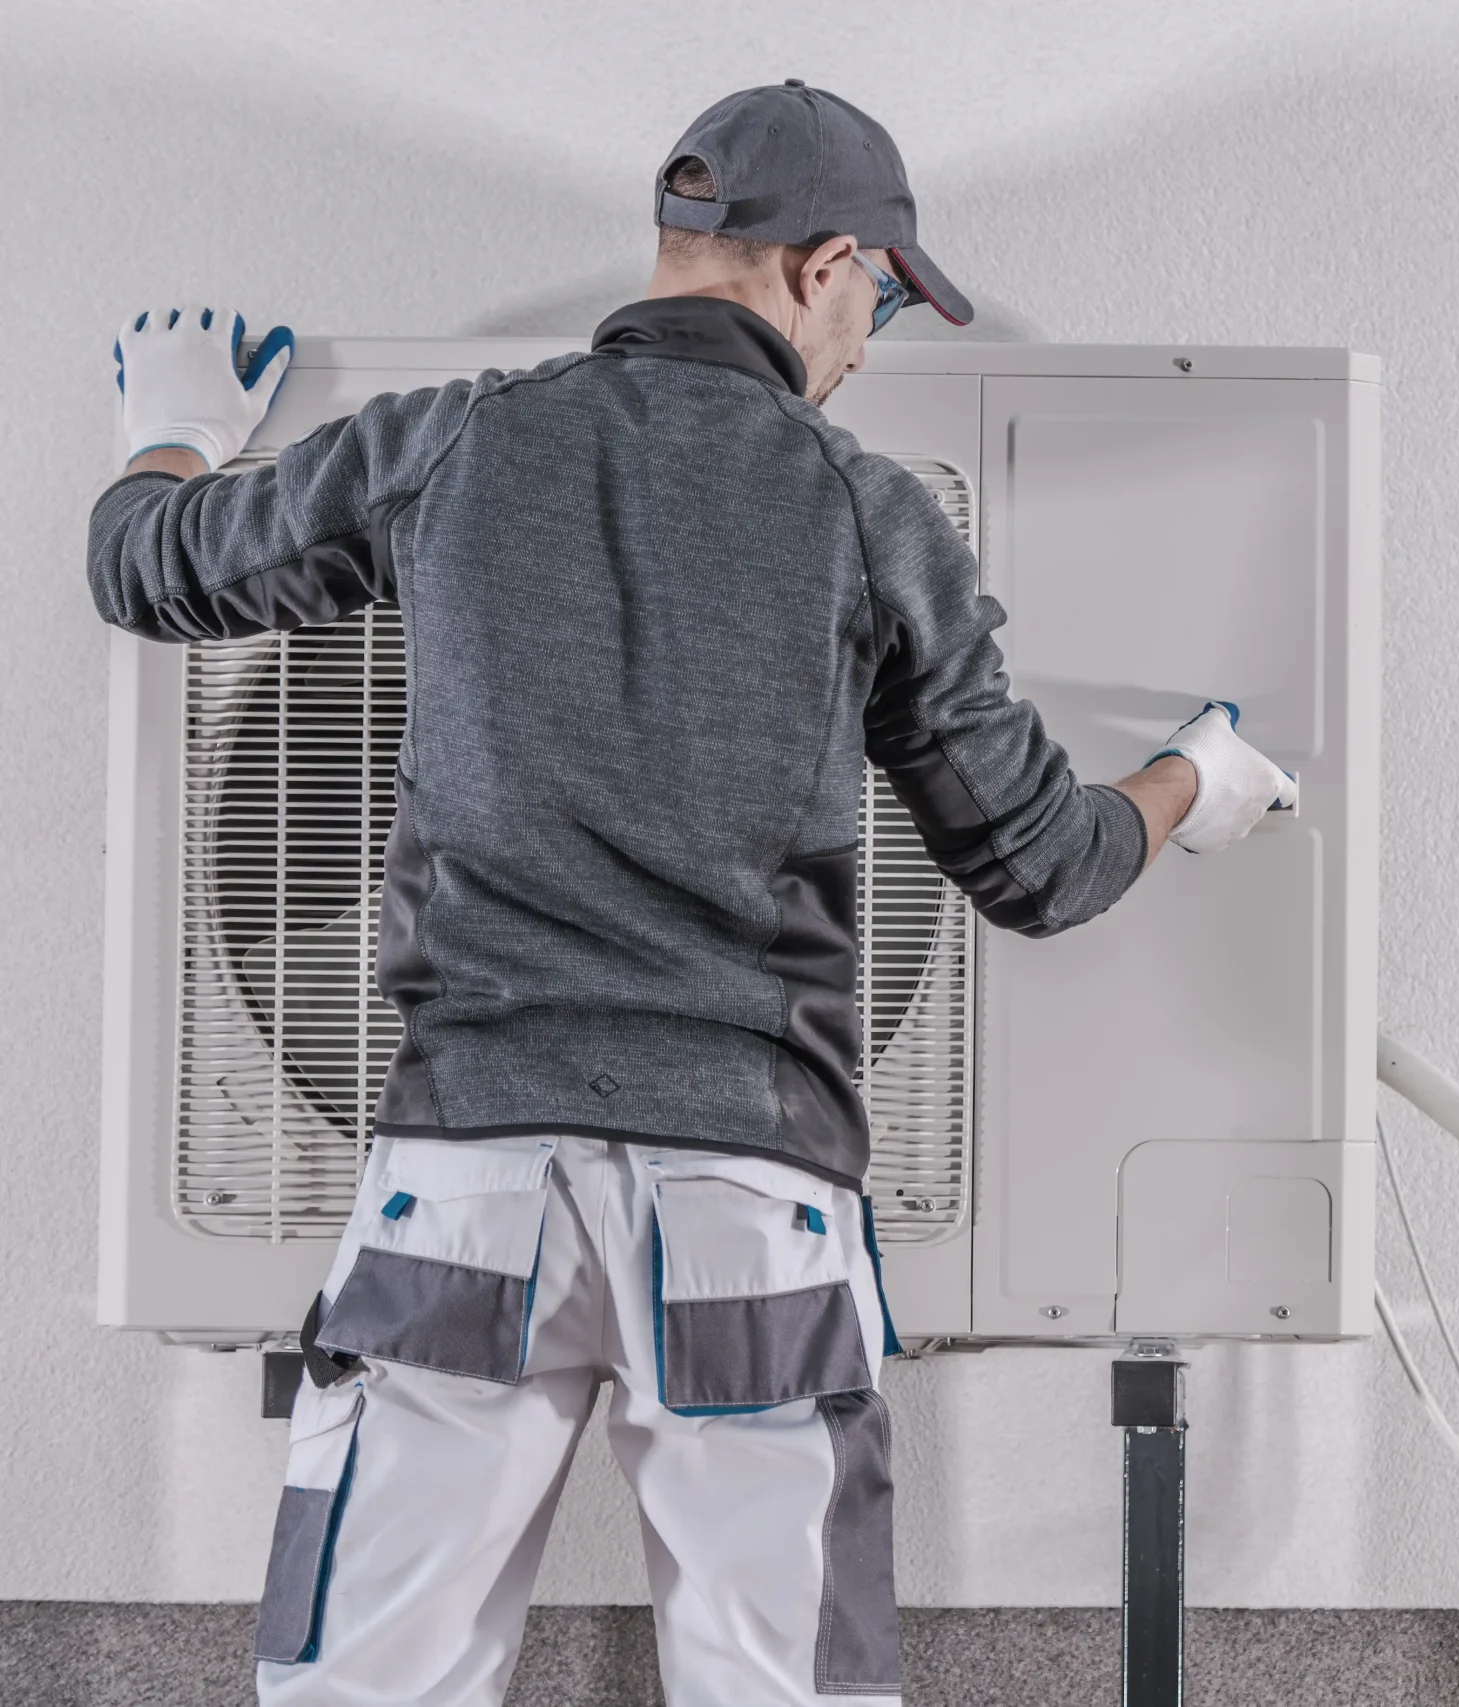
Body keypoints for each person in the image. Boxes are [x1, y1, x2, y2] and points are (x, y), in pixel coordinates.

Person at [88, 81, 1293, 1707]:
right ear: (826, 264)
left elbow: (147, 564)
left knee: (360, 1686)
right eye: (881, 303)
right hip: (750, 1204)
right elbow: (1041, 863)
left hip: (466, 1181)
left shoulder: (452, 442)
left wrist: (169, 433)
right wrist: (1195, 781)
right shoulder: (870, 513)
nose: (863, 346)